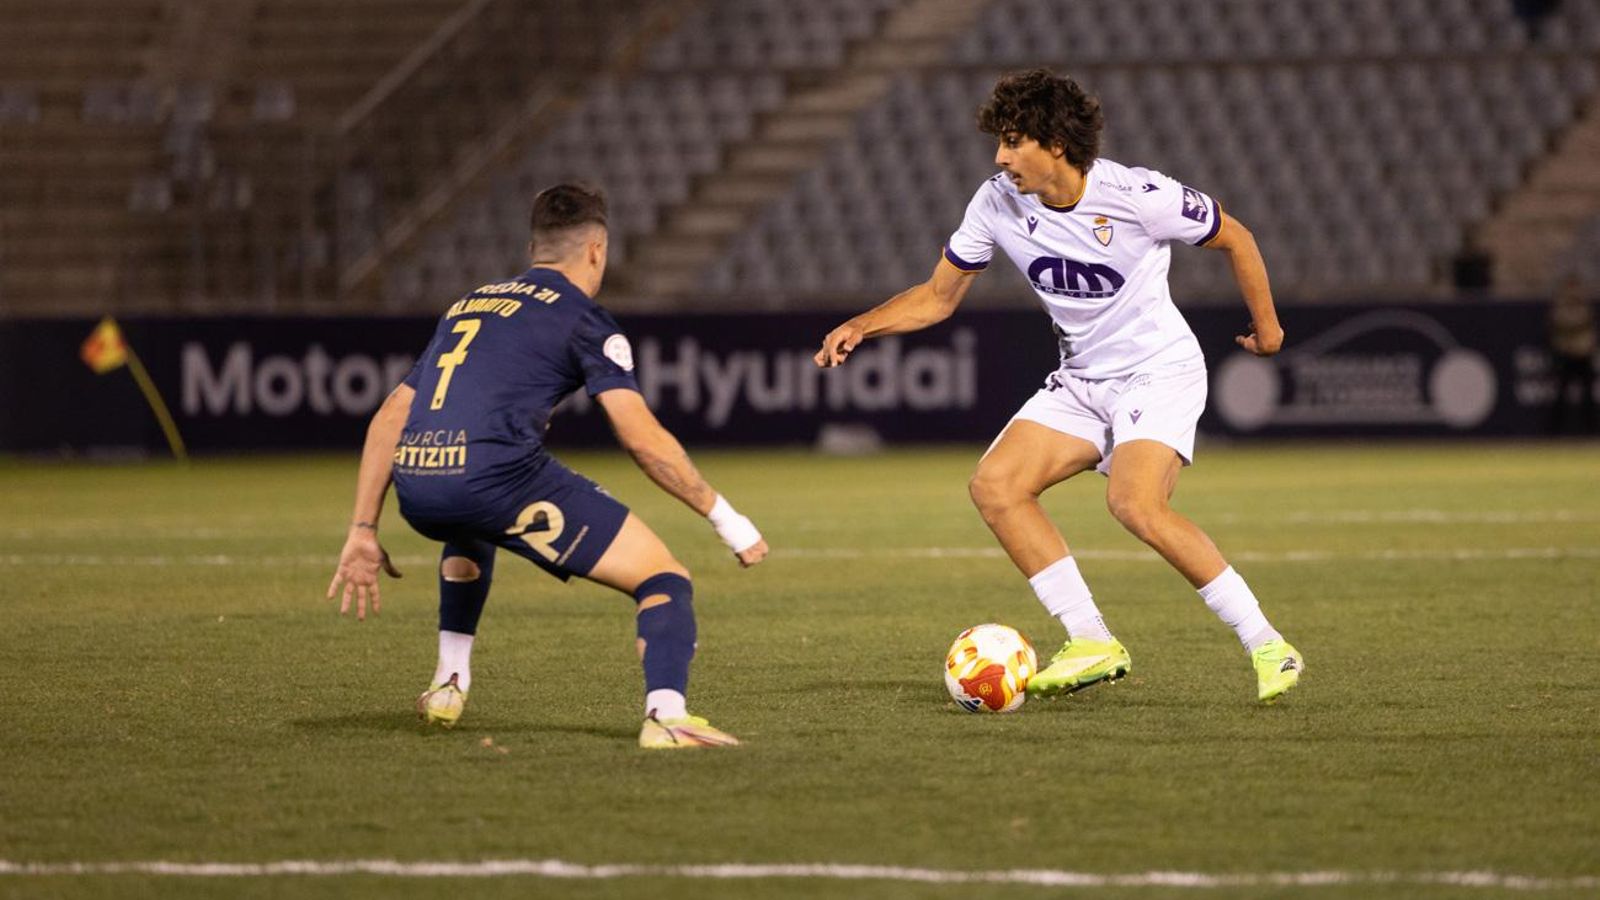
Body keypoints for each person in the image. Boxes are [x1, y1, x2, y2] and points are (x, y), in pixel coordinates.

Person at [815, 69, 1302, 703]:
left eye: (1014, 142)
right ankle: (1092, 639)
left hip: (1158, 370)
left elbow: (1236, 237)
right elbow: (938, 297)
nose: (1000, 157)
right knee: (995, 486)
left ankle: (1269, 644)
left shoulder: (1138, 194)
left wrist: (1268, 333)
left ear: (1055, 144)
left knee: (1135, 505)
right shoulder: (995, 201)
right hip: (1082, 379)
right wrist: (863, 324)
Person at [328, 183, 768, 748]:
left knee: (470, 525)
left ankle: (448, 681)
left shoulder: (470, 302)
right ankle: (667, 716)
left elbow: (392, 413)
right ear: (596, 250)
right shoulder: (585, 318)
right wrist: (724, 516)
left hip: (419, 485)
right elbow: (640, 438)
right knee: (664, 579)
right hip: (494, 478)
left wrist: (363, 528)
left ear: (535, 247)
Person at [1547, 276, 1597, 434]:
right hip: (1567, 355)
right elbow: (1562, 322)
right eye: (1571, 287)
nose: (1574, 291)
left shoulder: (1584, 305)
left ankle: (1591, 429)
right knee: (1561, 394)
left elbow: (1585, 324)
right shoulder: (1562, 306)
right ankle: (1554, 431)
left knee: (1588, 394)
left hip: (1583, 355)